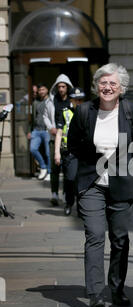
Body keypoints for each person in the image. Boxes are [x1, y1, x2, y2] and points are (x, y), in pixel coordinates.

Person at [68, 63, 133, 307]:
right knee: (95, 236)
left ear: (121, 87)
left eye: (113, 83)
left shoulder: (132, 111)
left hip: (121, 184)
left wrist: (126, 167)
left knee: (120, 239)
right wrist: (79, 173)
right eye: (103, 82)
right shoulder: (84, 112)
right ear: (96, 85)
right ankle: (95, 294)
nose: (108, 87)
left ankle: (117, 287)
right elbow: (72, 146)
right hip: (91, 184)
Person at [54, 87, 85, 216]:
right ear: (71, 99)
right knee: (70, 179)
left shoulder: (89, 111)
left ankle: (81, 206)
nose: (78, 102)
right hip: (69, 152)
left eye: (80, 100)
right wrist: (57, 152)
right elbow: (59, 133)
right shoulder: (64, 112)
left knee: (82, 181)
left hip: (85, 152)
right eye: (75, 100)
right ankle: (69, 202)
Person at [49, 74, 74, 206]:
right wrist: (50, 127)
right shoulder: (52, 100)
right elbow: (45, 116)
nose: (61, 89)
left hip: (68, 140)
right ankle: (54, 193)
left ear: (68, 87)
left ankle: (66, 193)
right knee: (54, 168)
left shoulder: (71, 101)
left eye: (63, 86)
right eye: (59, 86)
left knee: (67, 169)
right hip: (54, 137)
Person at [27, 84, 54, 180]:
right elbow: (32, 117)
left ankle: (50, 172)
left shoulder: (51, 101)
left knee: (48, 153)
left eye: (43, 89)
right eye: (40, 90)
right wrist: (30, 130)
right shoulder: (35, 102)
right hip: (36, 130)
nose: (41, 91)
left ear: (47, 90)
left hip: (47, 130)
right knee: (33, 149)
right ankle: (43, 167)